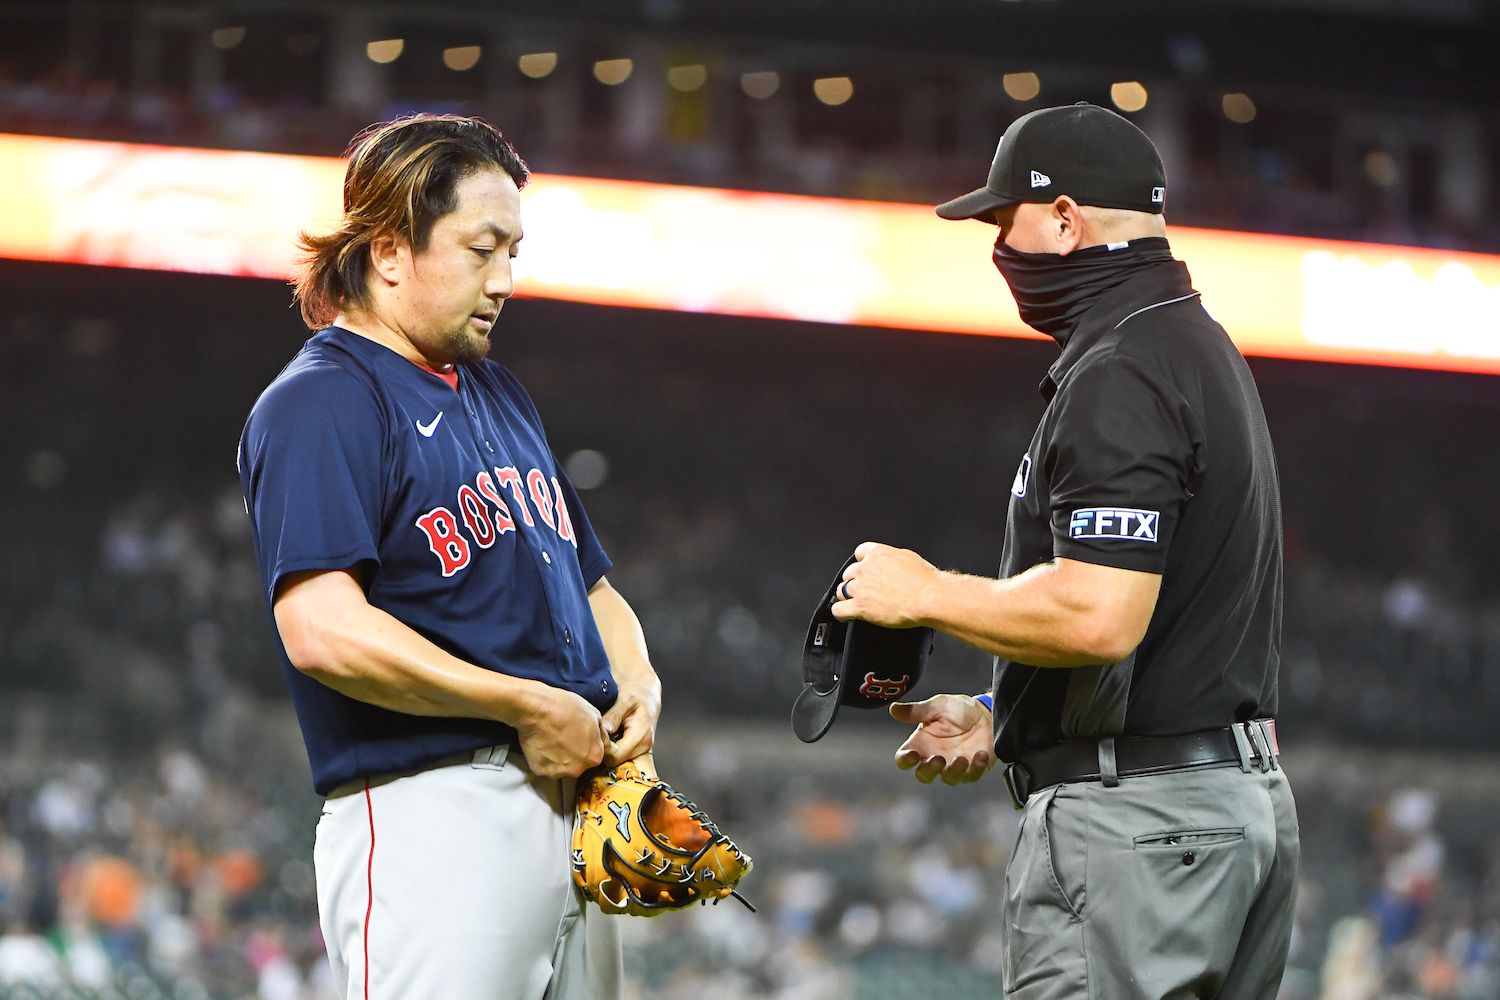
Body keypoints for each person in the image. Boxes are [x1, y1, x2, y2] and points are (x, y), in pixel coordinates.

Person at [829, 103, 1299, 999]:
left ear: (1065, 218)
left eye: (1004, 223)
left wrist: (924, 591)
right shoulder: (1194, 345)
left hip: (1145, 829)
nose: (999, 249)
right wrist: (1005, 712)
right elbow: (1161, 623)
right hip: (1226, 808)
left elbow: (1098, 615)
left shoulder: (1123, 367)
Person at [238, 115, 660, 1000]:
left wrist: (639, 684)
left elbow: (595, 588)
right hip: (434, 809)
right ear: (390, 251)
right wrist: (521, 703)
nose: (505, 279)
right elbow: (321, 630)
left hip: (572, 804)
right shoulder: (324, 401)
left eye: (513, 249)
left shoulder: (498, 392)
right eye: (481, 249)